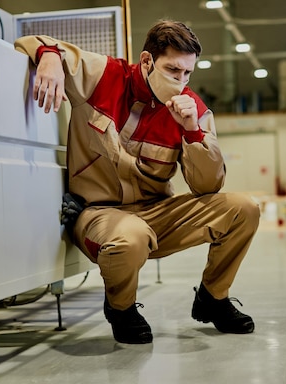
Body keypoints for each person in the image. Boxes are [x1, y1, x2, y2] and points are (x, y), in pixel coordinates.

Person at [14, 20, 260, 344]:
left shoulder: (194, 110)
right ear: (147, 62)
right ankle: (121, 308)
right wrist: (48, 58)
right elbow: (29, 42)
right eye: (173, 70)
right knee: (131, 235)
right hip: (99, 215)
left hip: (156, 215)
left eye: (188, 73)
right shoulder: (105, 76)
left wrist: (191, 130)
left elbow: (208, 186)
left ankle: (213, 298)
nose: (181, 81)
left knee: (245, 207)